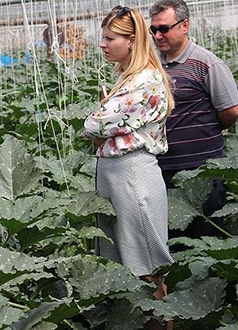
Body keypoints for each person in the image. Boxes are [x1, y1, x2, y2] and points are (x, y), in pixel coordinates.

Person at [81, 6, 175, 304]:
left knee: (147, 270)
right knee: (123, 266)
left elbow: (93, 123)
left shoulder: (144, 80)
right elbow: (103, 122)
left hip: (132, 180)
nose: (103, 44)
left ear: (132, 40)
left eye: (110, 38)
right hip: (119, 178)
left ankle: (161, 321)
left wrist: (100, 121)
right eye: (103, 37)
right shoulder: (129, 78)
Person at [149, 0, 238, 242]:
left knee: (207, 241)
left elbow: (230, 111)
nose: (158, 35)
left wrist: (203, 130)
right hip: (162, 171)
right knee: (174, 245)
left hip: (202, 173)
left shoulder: (208, 64)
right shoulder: (152, 67)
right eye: (153, 29)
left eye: (164, 28)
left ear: (185, 25)